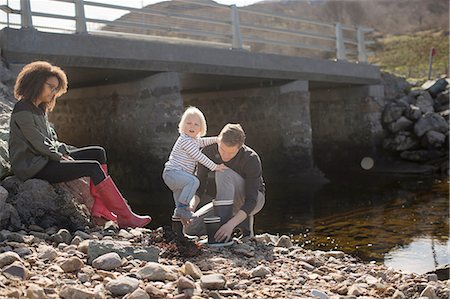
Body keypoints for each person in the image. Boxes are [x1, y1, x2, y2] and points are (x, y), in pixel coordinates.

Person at [9, 61, 151, 228]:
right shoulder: (22, 109)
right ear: (36, 82)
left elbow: (51, 139)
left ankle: (100, 207)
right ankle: (125, 216)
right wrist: (60, 156)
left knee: (98, 153)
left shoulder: (40, 109)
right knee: (92, 167)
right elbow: (38, 142)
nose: (53, 92)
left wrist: (62, 150)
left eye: (56, 88)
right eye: (51, 86)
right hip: (32, 166)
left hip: (45, 159)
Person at [185, 123, 265, 242]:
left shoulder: (251, 158)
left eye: (231, 152)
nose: (225, 155)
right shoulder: (207, 151)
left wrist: (229, 225)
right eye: (222, 149)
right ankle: (226, 228)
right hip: (224, 202)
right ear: (218, 141)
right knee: (190, 228)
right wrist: (190, 207)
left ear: (240, 147)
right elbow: (199, 187)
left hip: (254, 200)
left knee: (223, 171)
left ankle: (231, 230)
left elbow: (251, 200)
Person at [162, 106, 227, 221]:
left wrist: (217, 139)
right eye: (189, 123)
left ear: (201, 129)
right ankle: (182, 209)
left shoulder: (193, 140)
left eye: (196, 124)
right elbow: (199, 156)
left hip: (179, 178)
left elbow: (202, 142)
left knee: (180, 208)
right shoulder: (185, 140)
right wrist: (215, 167)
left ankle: (180, 230)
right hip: (173, 174)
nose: (192, 126)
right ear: (182, 125)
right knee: (194, 181)